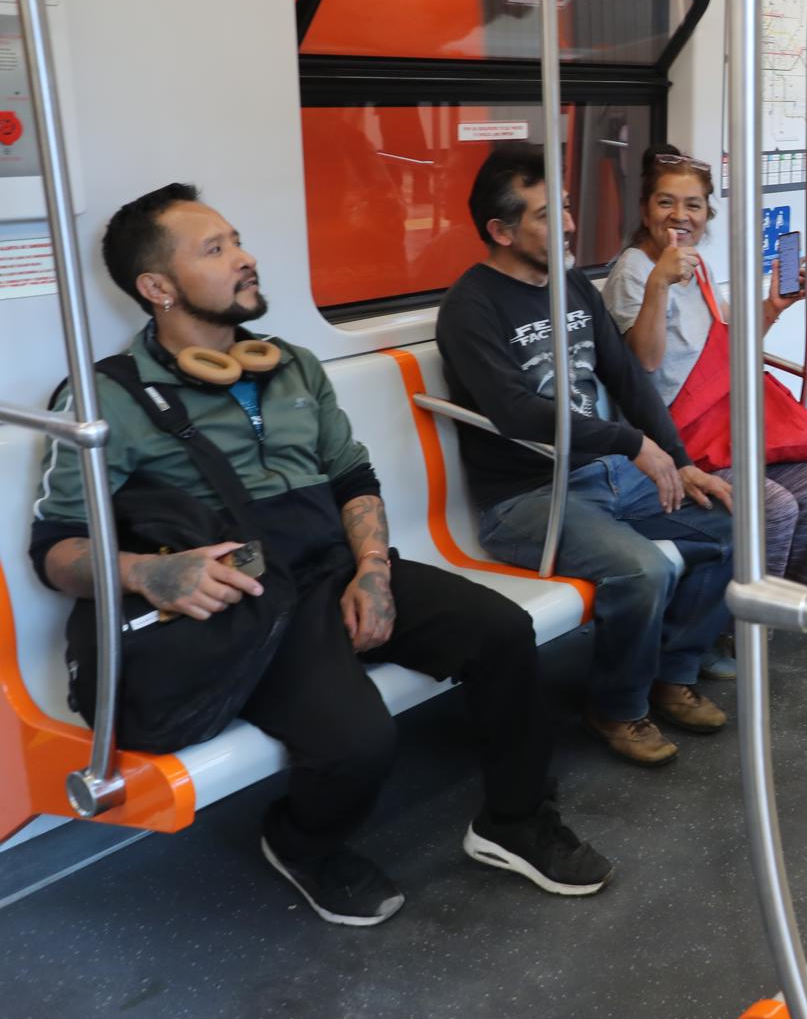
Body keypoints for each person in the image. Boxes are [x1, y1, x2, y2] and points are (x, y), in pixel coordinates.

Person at [28, 184, 611, 925]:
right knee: (358, 743)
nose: (245, 258)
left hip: (340, 564)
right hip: (253, 604)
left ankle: (515, 820)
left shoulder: (292, 366)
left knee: (501, 631)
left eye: (237, 239)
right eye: (217, 249)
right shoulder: (105, 400)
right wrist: (149, 572)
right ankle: (302, 842)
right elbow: (58, 548)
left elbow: (353, 480)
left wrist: (374, 571)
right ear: (157, 288)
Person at [436, 142, 735, 770]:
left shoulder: (571, 284)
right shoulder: (471, 307)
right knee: (643, 570)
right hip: (526, 497)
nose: (568, 224)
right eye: (546, 214)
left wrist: (680, 460)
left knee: (727, 522)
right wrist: (631, 444)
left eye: (566, 207)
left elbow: (626, 378)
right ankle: (618, 707)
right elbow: (516, 411)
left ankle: (671, 674)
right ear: (500, 229)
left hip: (604, 475)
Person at [602, 145, 807, 661]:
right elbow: (641, 365)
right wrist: (659, 284)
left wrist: (773, 308)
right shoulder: (633, 271)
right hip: (672, 443)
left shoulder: (702, 268)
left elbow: (728, 345)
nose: (679, 216)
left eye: (692, 205)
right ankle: (734, 630)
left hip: (720, 429)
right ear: (645, 209)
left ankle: (786, 611)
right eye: (666, 203)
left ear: (707, 213)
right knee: (772, 507)